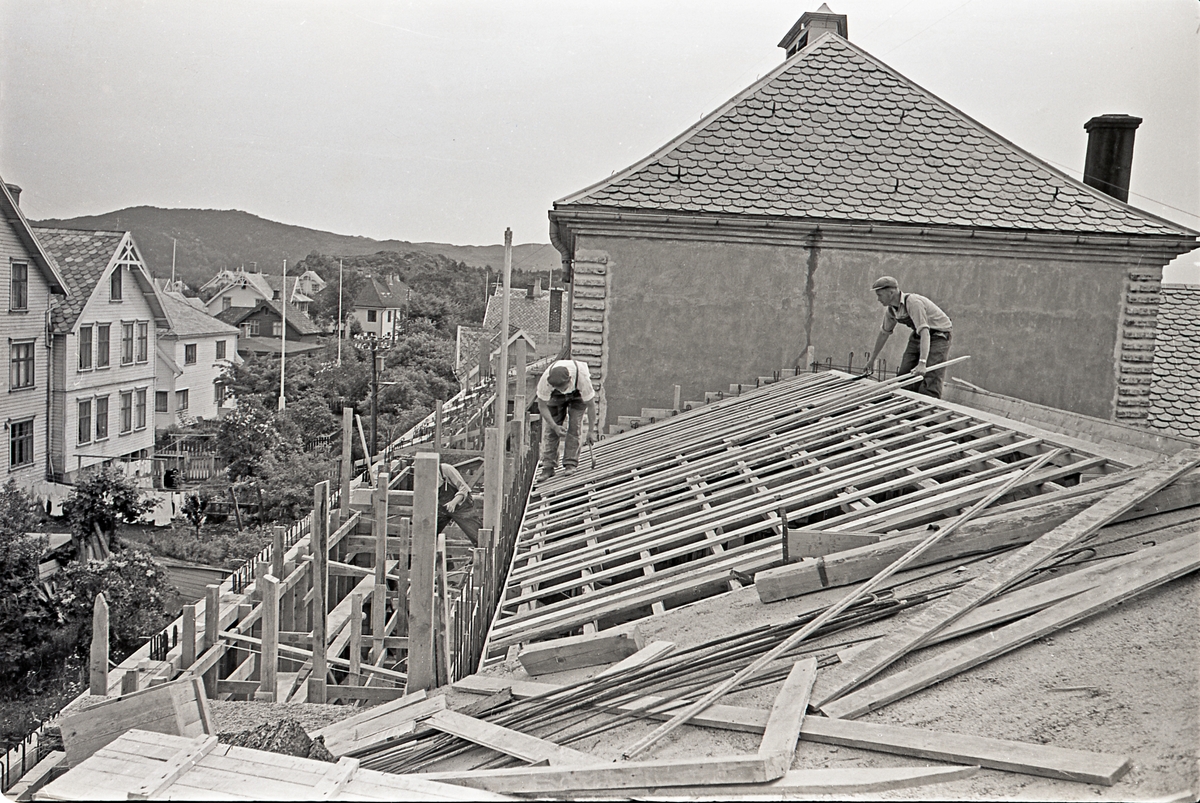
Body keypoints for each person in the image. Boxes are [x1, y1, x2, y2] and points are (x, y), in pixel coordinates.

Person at [863, 276, 953, 398]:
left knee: (930, 376)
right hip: (919, 334)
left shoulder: (913, 302)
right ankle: (904, 407)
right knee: (905, 374)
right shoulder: (891, 310)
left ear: (891, 292)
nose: (878, 299)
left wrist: (922, 362)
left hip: (939, 335)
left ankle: (926, 411)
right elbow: (884, 333)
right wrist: (872, 360)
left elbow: (925, 331)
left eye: (880, 295)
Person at [535, 358, 598, 479]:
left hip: (577, 395)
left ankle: (570, 463)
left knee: (575, 425)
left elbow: (591, 406)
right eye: (559, 388)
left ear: (569, 380)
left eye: (563, 387)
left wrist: (591, 431)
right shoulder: (545, 382)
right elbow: (541, 406)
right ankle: (548, 466)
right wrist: (554, 426)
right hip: (554, 397)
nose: (562, 391)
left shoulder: (582, 378)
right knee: (550, 431)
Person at [435, 462, 480, 546]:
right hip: (442, 507)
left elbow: (464, 488)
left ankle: (484, 554)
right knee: (429, 533)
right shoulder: (423, 475)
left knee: (477, 536)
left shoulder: (446, 469)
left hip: (461, 507)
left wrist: (453, 502)